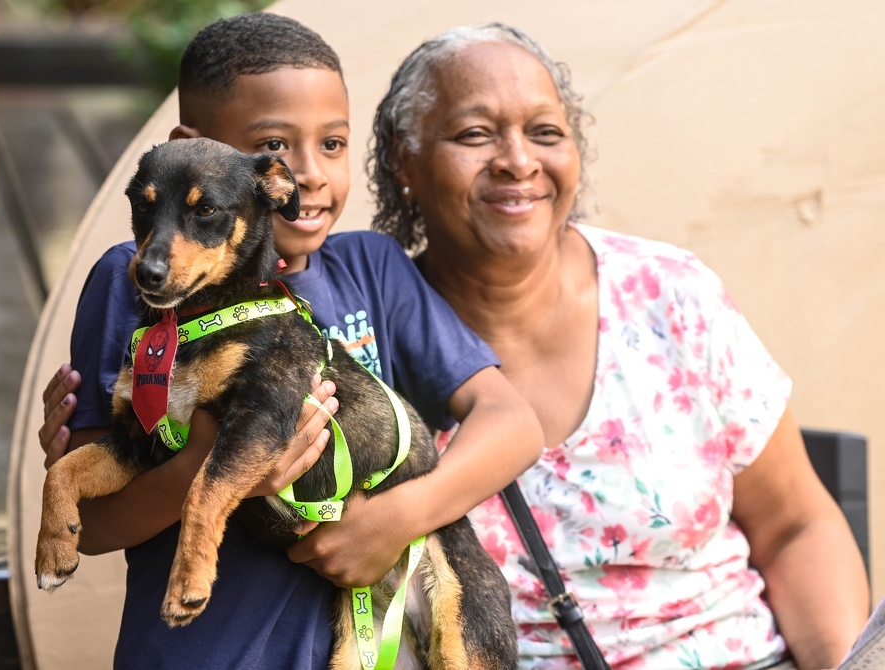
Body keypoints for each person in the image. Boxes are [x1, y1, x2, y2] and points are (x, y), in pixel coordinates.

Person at [336, 22, 868, 670]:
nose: (518, 161)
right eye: (475, 134)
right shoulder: (362, 343)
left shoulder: (672, 295)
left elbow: (794, 527)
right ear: (405, 161)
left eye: (545, 132)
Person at [38, 12, 543, 669]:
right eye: (275, 143)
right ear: (191, 147)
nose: (306, 173)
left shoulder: (373, 268)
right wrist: (219, 470)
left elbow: (513, 424)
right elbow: (94, 526)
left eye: (333, 144)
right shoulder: (132, 282)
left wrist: (393, 521)